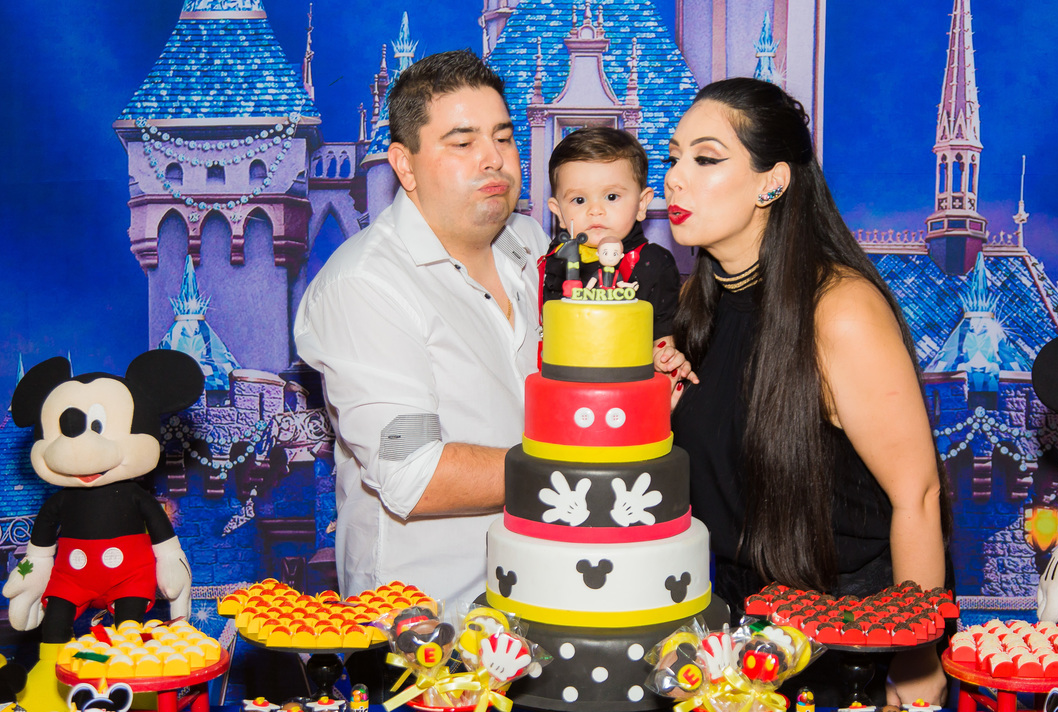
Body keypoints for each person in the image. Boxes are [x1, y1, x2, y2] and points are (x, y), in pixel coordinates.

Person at [663, 78, 951, 706]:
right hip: (732, 634)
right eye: (674, 156)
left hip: (849, 641)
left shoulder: (840, 309)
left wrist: (917, 658)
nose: (675, 178)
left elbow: (919, 494)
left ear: (772, 182)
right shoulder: (694, 307)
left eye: (706, 159)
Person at [294, 50, 548, 612]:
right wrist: (577, 466)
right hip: (426, 625)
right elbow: (414, 471)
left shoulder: (530, 244)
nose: (494, 159)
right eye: (462, 143)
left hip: (544, 595)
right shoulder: (366, 285)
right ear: (404, 167)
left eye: (503, 137)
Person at [541, 126, 680, 345]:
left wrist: (665, 353)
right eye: (579, 200)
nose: (595, 210)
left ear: (641, 204)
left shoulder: (655, 263)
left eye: (612, 196)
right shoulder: (556, 257)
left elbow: (665, 331)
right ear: (559, 212)